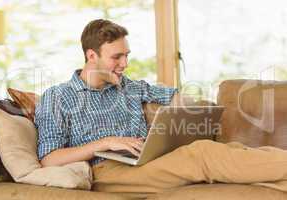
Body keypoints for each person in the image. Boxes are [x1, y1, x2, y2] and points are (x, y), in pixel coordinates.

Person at [35, 19, 287, 195]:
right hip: (106, 171)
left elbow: (177, 97)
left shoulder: (130, 86)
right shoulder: (57, 96)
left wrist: (178, 118)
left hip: (147, 160)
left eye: (127, 55)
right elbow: (49, 160)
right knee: (202, 154)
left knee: (234, 148)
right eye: (116, 57)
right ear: (91, 56)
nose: (125, 64)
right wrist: (106, 142)